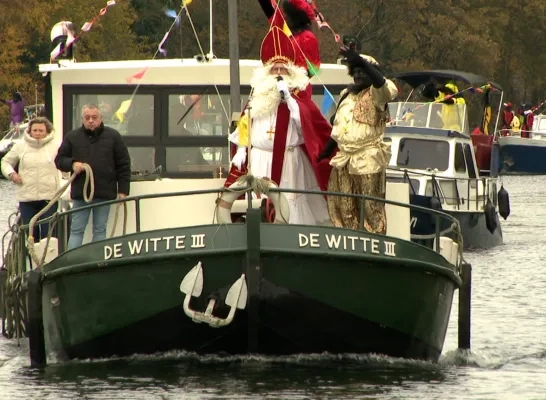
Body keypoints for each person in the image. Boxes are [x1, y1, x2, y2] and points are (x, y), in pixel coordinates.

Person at [223, 26, 332, 225]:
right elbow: (246, 122)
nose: (279, 73)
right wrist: (240, 148)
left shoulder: (297, 97)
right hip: (259, 159)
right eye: (275, 69)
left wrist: (288, 98)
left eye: (283, 69)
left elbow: (305, 125)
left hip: (289, 162)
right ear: (267, 72)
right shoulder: (258, 95)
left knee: (289, 204)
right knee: (258, 202)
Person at [317, 48, 398, 233]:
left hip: (368, 157)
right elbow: (338, 129)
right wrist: (325, 152)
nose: (359, 76)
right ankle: (349, 238)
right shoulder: (346, 94)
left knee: (370, 206)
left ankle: (375, 239)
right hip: (344, 159)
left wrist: (362, 61)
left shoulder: (378, 93)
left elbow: (382, 84)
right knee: (344, 206)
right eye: (356, 72)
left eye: (363, 72)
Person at [55, 104, 131, 250]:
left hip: (105, 192)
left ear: (101, 118)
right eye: (87, 117)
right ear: (82, 119)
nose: (91, 120)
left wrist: (123, 190)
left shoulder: (113, 136)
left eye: (94, 117)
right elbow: (59, 160)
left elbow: (123, 164)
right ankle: (73, 261)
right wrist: (72, 164)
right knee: (77, 230)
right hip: (80, 192)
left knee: (100, 229)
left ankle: (97, 261)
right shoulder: (72, 137)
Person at [1, 117, 60, 241]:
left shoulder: (56, 146)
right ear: (30, 131)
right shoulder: (20, 146)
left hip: (49, 198)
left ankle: (46, 259)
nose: (38, 133)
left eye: (41, 130)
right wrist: (11, 174)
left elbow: (64, 166)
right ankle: (31, 258)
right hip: (27, 198)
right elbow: (5, 162)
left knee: (48, 234)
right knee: (30, 235)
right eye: (35, 130)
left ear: (47, 132)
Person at [257, 0, 320, 98]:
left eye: (287, 14)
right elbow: (269, 9)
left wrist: (290, 81)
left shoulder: (308, 37)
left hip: (299, 90)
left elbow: (312, 69)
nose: (284, 16)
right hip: (278, 84)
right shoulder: (284, 27)